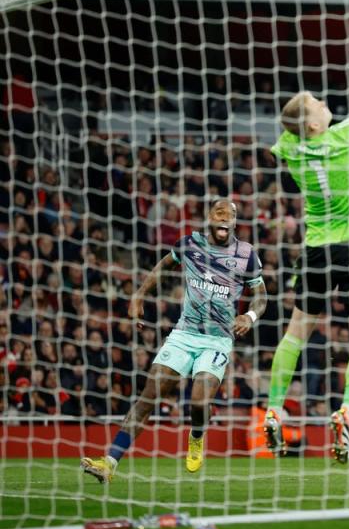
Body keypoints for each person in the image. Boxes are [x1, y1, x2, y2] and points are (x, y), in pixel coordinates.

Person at [81, 200, 266, 482]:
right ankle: (109, 463)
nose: (224, 218)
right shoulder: (189, 244)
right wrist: (139, 295)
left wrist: (250, 316)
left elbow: (261, 295)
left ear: (235, 222)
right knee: (148, 397)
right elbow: (162, 267)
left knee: (199, 403)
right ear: (209, 217)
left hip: (217, 341)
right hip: (183, 335)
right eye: (219, 213)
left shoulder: (246, 255)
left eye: (229, 215)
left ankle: (197, 435)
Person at [264, 72, 349, 463]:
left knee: (295, 334)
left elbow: (287, 131)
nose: (324, 103)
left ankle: (274, 408)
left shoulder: (289, 147)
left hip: (315, 250)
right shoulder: (346, 135)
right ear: (314, 124)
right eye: (317, 103)